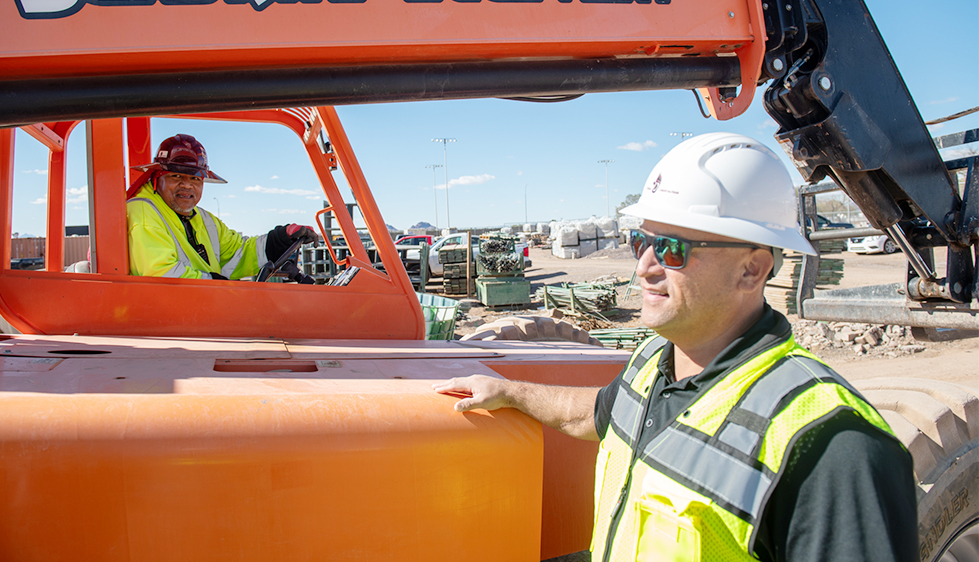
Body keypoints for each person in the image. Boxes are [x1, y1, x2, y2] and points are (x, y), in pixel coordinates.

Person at [433, 133, 917, 562]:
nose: (643, 267)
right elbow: (596, 414)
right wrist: (510, 392)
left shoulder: (830, 444)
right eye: (641, 240)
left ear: (752, 268)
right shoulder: (652, 361)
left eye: (672, 249)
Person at [126, 134, 317, 280]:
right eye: (176, 176)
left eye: (195, 178)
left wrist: (282, 238)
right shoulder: (144, 213)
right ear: (157, 178)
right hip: (168, 318)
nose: (187, 185)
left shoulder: (202, 219)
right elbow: (161, 274)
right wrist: (216, 284)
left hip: (197, 311)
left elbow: (238, 253)